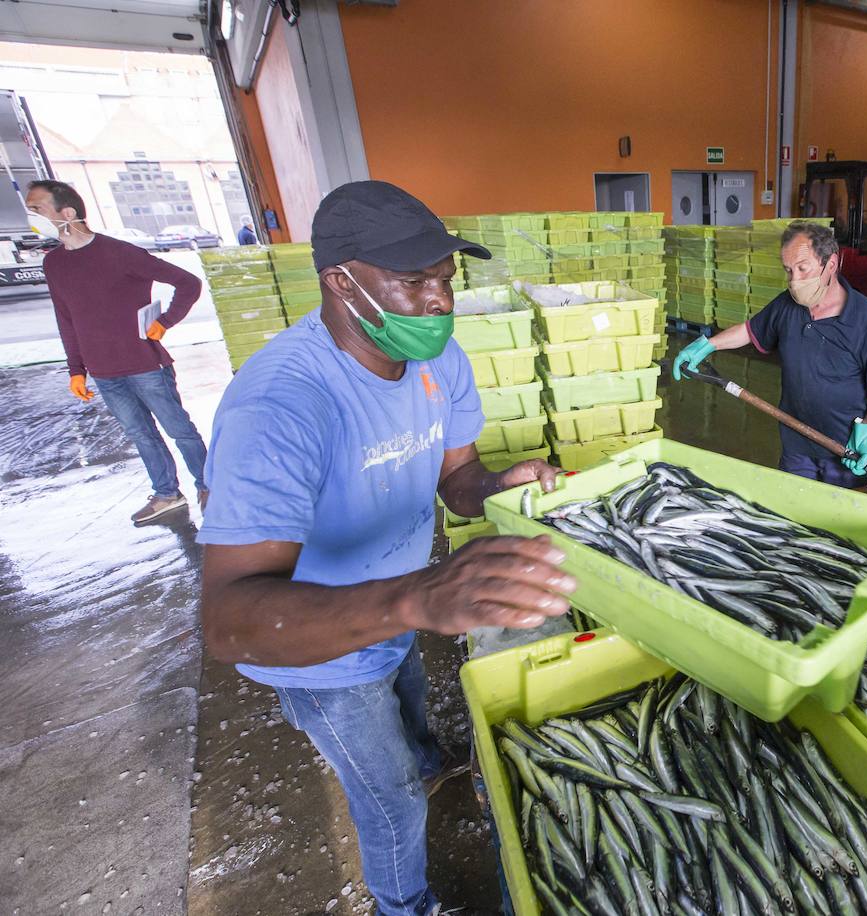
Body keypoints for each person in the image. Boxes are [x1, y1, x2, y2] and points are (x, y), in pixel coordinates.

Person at [197, 180, 576, 916]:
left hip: (397, 607)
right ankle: (405, 904)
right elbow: (227, 618)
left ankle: (429, 761)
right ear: (341, 282)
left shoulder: (441, 359)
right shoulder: (281, 405)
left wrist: (504, 483)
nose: (439, 301)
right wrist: (416, 596)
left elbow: (458, 478)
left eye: (445, 279)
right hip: (321, 650)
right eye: (413, 282)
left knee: (412, 715)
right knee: (392, 801)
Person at [27, 179, 210, 525]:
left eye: (37, 209)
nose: (32, 217)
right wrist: (76, 369)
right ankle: (167, 493)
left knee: (179, 430)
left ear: (67, 213)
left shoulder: (120, 253)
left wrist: (165, 322)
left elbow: (188, 283)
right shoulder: (54, 264)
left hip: (146, 366)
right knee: (141, 435)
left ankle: (209, 487)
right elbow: (66, 318)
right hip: (104, 371)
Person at [672, 220, 867, 486]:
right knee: (793, 514)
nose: (795, 281)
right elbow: (749, 330)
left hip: (845, 448)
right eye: (789, 271)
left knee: (841, 520)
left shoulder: (865, 319)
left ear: (831, 264)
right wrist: (707, 345)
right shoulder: (787, 305)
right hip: (797, 443)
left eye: (803, 269)